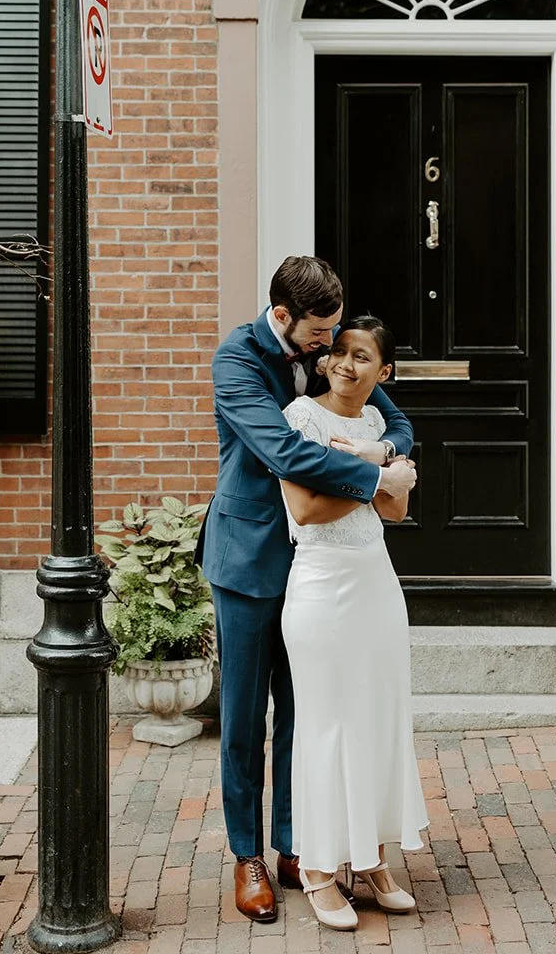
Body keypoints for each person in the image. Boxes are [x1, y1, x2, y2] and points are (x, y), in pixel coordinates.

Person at [200, 256, 417, 924]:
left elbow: (396, 423)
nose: (329, 347)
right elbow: (288, 455)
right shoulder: (237, 361)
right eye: (319, 332)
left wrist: (381, 450)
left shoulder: (328, 351)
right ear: (284, 316)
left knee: (307, 712)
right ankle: (249, 857)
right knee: (243, 722)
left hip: (322, 574)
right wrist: (376, 473)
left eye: (334, 332)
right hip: (251, 556)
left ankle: (300, 846)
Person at [280, 315, 428, 930]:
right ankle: (318, 869)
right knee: (326, 724)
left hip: (375, 580)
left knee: (377, 720)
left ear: (383, 372)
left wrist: (378, 476)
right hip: (320, 584)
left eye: (361, 356)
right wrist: (377, 478)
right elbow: (307, 508)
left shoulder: (375, 426)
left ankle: (368, 859)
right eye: (338, 352)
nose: (345, 363)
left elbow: (398, 508)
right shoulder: (299, 419)